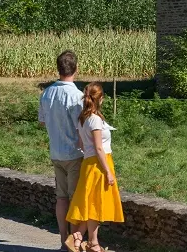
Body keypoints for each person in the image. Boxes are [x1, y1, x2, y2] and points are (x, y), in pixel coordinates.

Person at [65, 82, 124, 252]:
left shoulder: (82, 119)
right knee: (96, 206)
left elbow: (82, 144)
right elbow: (99, 148)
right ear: (101, 99)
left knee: (91, 204)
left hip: (88, 163)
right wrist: (108, 171)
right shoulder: (96, 120)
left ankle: (77, 238)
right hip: (99, 163)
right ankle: (93, 243)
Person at [39, 50, 85, 251]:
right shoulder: (77, 96)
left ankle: (63, 240)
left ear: (58, 69)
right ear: (76, 68)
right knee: (75, 200)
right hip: (74, 153)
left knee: (61, 198)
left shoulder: (47, 93)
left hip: (56, 152)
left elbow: (42, 122)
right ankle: (73, 243)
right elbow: (82, 127)